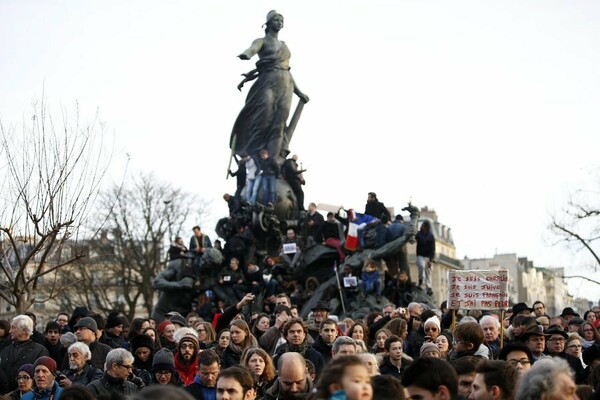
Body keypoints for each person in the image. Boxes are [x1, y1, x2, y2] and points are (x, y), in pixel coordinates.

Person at [230, 10, 310, 163]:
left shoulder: (284, 46)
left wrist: (299, 93)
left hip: (286, 83)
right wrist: (246, 54)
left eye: (281, 20)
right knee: (264, 113)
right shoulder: (262, 41)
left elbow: (286, 70)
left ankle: (274, 158)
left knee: (280, 122)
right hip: (267, 81)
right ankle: (255, 151)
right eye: (276, 20)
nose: (279, 22)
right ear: (268, 23)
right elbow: (252, 49)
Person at [0, 315, 50, 391]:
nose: (10, 331)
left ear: (23, 330)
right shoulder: (4, 349)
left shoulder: (40, 351)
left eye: (13, 327)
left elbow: (42, 378)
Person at [415, 220, 435, 295]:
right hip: (420, 255)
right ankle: (421, 280)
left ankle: (428, 286)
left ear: (426, 227)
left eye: (423, 225)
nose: (421, 227)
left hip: (428, 256)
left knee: (428, 271)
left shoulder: (431, 236)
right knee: (421, 266)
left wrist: (431, 259)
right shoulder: (418, 234)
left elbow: (433, 248)